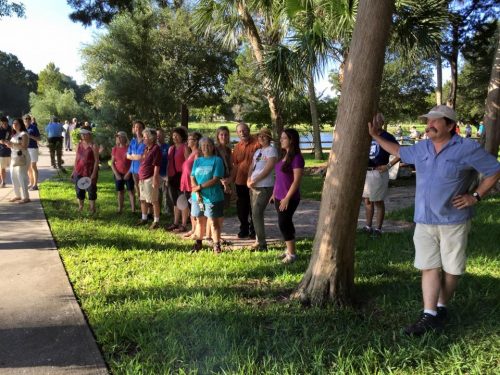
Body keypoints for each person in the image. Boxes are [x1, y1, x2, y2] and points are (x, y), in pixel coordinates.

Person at [368, 105, 500, 336]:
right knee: (428, 266)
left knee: (452, 268)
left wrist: (475, 196)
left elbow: (494, 170)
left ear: (450, 125)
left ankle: (441, 307)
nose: (429, 125)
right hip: (424, 220)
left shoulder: (467, 148)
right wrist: (376, 136)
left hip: (454, 220)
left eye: (435, 121)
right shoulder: (422, 147)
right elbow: (398, 149)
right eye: (427, 121)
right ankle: (429, 314)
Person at [362, 113, 400, 235]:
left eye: (378, 121)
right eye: (373, 121)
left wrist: (388, 166)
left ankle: (378, 229)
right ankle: (368, 227)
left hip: (378, 173)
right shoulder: (367, 136)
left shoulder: (387, 137)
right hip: (366, 172)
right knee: (367, 201)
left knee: (378, 201)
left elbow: (400, 153)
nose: (375, 124)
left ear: (382, 123)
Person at [271, 128, 304, 264]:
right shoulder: (283, 156)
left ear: (291, 140)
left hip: (289, 197)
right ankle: (289, 249)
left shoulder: (297, 158)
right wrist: (274, 194)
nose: (281, 140)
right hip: (278, 197)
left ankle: (292, 254)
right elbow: (278, 178)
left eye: (284, 138)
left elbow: (296, 182)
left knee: (283, 223)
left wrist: (287, 198)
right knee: (286, 222)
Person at [190, 137, 225, 254]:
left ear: (213, 146)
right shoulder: (197, 161)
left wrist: (199, 187)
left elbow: (216, 179)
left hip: (212, 197)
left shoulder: (217, 160)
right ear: (200, 147)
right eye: (203, 145)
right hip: (198, 197)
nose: (206, 147)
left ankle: (216, 245)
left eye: (208, 145)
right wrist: (197, 192)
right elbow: (192, 177)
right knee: (199, 220)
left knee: (213, 222)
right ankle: (198, 244)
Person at [247, 128, 278, 251]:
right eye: (260, 136)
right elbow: (251, 166)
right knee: (255, 214)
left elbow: (268, 168)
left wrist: (256, 180)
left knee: (256, 213)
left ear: (269, 138)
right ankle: (258, 240)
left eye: (264, 136)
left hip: (264, 186)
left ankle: (262, 244)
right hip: (253, 186)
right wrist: (249, 179)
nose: (261, 138)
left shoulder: (271, 150)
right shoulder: (258, 151)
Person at [232, 122, 260, 239]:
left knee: (254, 206)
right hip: (240, 181)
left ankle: (254, 230)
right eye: (240, 131)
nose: (242, 133)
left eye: (244, 130)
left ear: (248, 130)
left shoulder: (258, 144)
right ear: (237, 134)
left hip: (255, 181)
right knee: (242, 207)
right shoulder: (237, 147)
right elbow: (235, 165)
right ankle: (244, 228)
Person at [136, 128, 162, 229]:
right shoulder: (146, 148)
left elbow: (157, 165)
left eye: (145, 137)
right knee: (142, 199)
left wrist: (155, 178)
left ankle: (156, 221)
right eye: (143, 137)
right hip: (142, 177)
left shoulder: (156, 149)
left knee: (153, 200)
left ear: (151, 138)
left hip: (150, 177)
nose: (143, 139)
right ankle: (144, 218)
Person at [167, 127, 190, 232]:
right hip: (172, 177)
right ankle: (175, 222)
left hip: (181, 176)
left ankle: (184, 224)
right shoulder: (171, 148)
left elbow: (188, 162)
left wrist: (187, 177)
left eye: (177, 135)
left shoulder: (185, 147)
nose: (175, 137)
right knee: (175, 201)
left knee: (183, 201)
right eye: (173, 136)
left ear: (182, 136)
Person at [72, 127, 99, 213]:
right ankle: (81, 206)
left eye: (84, 133)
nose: (82, 135)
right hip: (79, 170)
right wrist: (73, 171)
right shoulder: (78, 145)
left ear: (89, 134)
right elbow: (76, 158)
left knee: (91, 190)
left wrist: (94, 173)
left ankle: (92, 208)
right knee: (79, 189)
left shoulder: (94, 145)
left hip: (90, 171)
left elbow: (96, 161)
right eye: (81, 134)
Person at [180, 132, 202, 236]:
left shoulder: (197, 153)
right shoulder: (191, 153)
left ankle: (198, 230)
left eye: (190, 139)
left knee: (197, 209)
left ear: (196, 141)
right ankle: (193, 229)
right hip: (187, 185)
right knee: (191, 209)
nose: (187, 141)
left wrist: (196, 187)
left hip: (193, 186)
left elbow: (198, 171)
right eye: (188, 139)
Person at [5, 118, 30, 203]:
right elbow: (13, 146)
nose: (14, 125)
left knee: (22, 176)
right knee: (13, 176)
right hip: (14, 157)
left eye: (16, 123)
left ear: (21, 124)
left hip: (22, 157)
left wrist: (12, 144)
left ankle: (26, 197)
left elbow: (24, 146)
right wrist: (8, 144)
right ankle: (17, 195)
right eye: (13, 123)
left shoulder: (24, 134)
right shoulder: (14, 135)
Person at [111, 131, 135, 213]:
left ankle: (133, 210)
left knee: (131, 191)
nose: (118, 138)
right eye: (117, 137)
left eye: (120, 136)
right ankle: (120, 209)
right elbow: (112, 163)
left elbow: (133, 162)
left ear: (125, 138)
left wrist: (129, 173)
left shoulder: (130, 148)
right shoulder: (115, 149)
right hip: (118, 173)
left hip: (129, 173)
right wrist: (116, 174)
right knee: (120, 192)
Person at [127, 120, 146, 201]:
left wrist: (134, 156)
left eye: (140, 127)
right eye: (136, 127)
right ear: (134, 129)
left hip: (143, 170)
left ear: (143, 129)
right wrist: (137, 157)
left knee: (144, 190)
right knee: (137, 189)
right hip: (134, 169)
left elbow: (143, 157)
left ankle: (148, 210)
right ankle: (143, 210)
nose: (138, 129)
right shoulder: (133, 141)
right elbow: (128, 155)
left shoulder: (146, 141)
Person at [156, 128, 171, 217]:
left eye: (160, 135)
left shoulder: (167, 147)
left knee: (166, 194)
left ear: (164, 136)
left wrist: (167, 175)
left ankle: (167, 211)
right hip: (156, 174)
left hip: (165, 174)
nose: (158, 137)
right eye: (157, 135)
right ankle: (158, 211)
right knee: (157, 194)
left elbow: (169, 161)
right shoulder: (154, 147)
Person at [24, 115, 41, 191]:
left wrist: (30, 136)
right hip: (25, 149)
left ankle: (35, 185)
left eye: (28, 119)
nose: (27, 120)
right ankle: (31, 183)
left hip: (33, 149)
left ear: (30, 120)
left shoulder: (33, 127)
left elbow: (39, 138)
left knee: (33, 166)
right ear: (23, 120)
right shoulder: (23, 128)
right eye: (25, 119)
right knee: (28, 167)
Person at [0, 116, 12, 188]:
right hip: (2, 152)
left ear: (7, 122)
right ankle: (3, 182)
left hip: (12, 151)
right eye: (3, 123)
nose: (4, 124)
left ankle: (16, 181)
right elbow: (0, 140)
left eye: (5, 123)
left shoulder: (10, 128)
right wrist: (6, 143)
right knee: (2, 168)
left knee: (13, 168)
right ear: (1, 123)